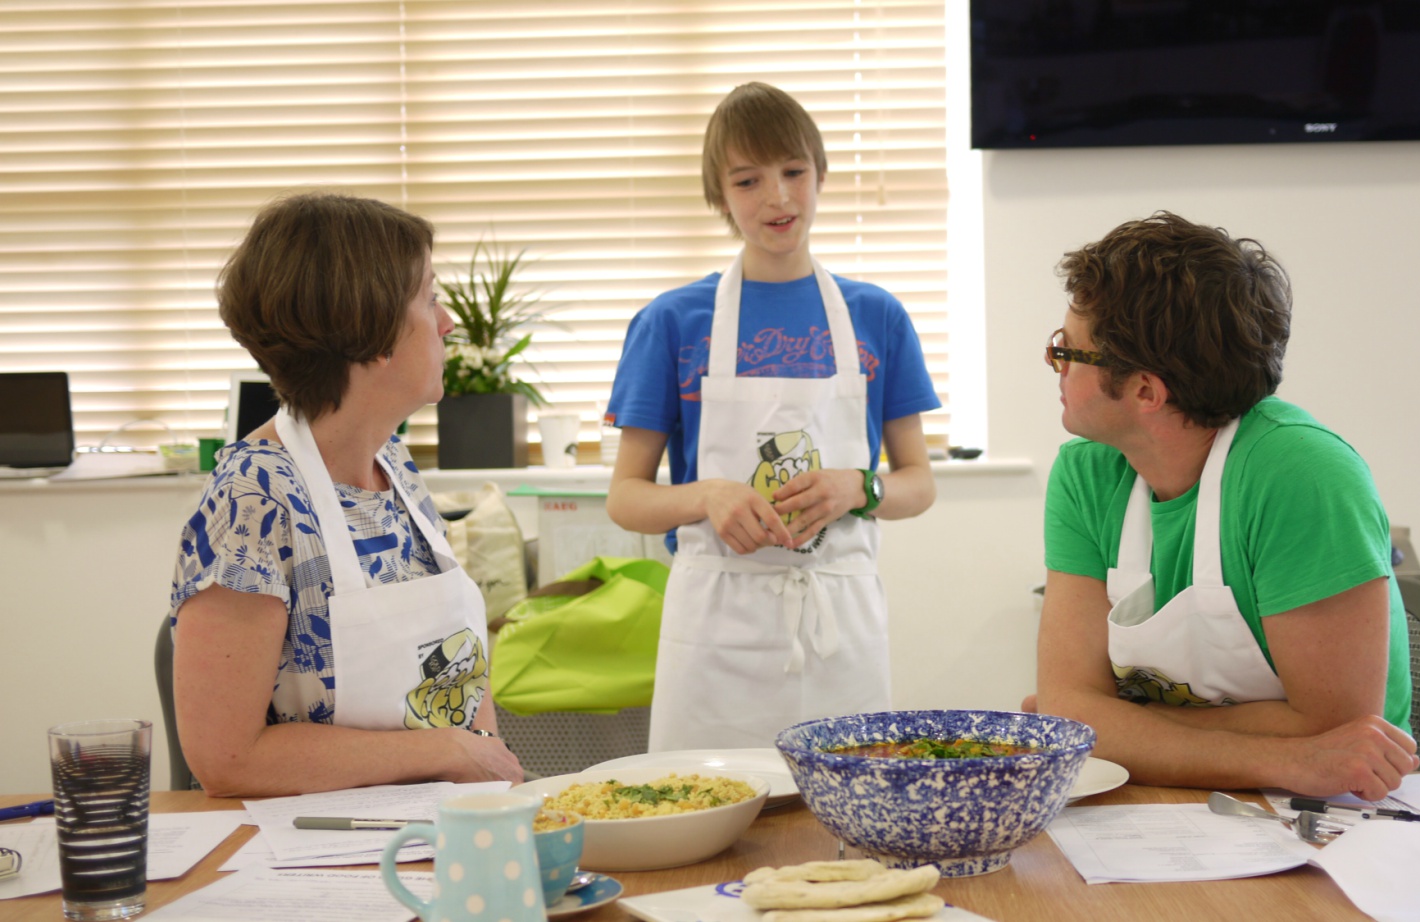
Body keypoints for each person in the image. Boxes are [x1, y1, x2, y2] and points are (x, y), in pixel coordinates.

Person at [1026, 211, 1417, 800]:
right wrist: (1284, 755)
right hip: (1167, 803)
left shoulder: (1301, 475)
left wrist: (1113, 724)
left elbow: (1337, 734)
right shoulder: (1085, 475)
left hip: (1328, 814)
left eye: (1068, 352)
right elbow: (1068, 711)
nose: (1054, 366)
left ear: (1145, 391)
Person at [604, 82, 941, 751]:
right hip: (715, 636)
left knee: (845, 826)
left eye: (793, 172)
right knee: (704, 822)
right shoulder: (671, 322)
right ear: (719, 194)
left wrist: (859, 487)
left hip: (839, 627)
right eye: (748, 180)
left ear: (820, 174)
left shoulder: (878, 317)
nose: (778, 197)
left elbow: (919, 483)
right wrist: (706, 495)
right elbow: (625, 499)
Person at [169, 192, 524, 796]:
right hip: (319, 856)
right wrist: (445, 750)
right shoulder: (255, 498)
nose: (447, 322)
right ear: (376, 334)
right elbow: (225, 758)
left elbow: (460, 674)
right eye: (430, 299)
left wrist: (496, 783)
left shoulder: (394, 466)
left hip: (439, 825)